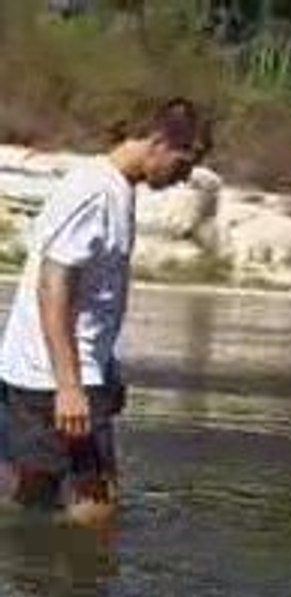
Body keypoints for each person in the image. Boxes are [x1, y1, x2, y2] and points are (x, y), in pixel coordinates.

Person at [0, 98, 211, 527]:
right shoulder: (96, 191)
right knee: (98, 505)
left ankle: (29, 582)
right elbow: (53, 286)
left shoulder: (112, 189)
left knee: (34, 492)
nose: (185, 177)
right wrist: (71, 387)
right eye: (185, 162)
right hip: (52, 378)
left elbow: (93, 297)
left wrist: (106, 365)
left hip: (45, 372)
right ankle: (79, 591)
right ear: (157, 141)